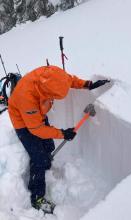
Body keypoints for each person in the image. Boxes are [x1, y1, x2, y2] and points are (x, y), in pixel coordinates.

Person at [8, 65, 109, 214]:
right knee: (39, 157)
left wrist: (88, 84)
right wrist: (63, 133)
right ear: (46, 91)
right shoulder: (27, 97)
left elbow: (70, 81)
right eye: (53, 96)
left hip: (38, 114)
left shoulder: (54, 75)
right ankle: (36, 197)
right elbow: (37, 130)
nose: (54, 99)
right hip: (23, 122)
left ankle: (44, 168)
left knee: (48, 145)